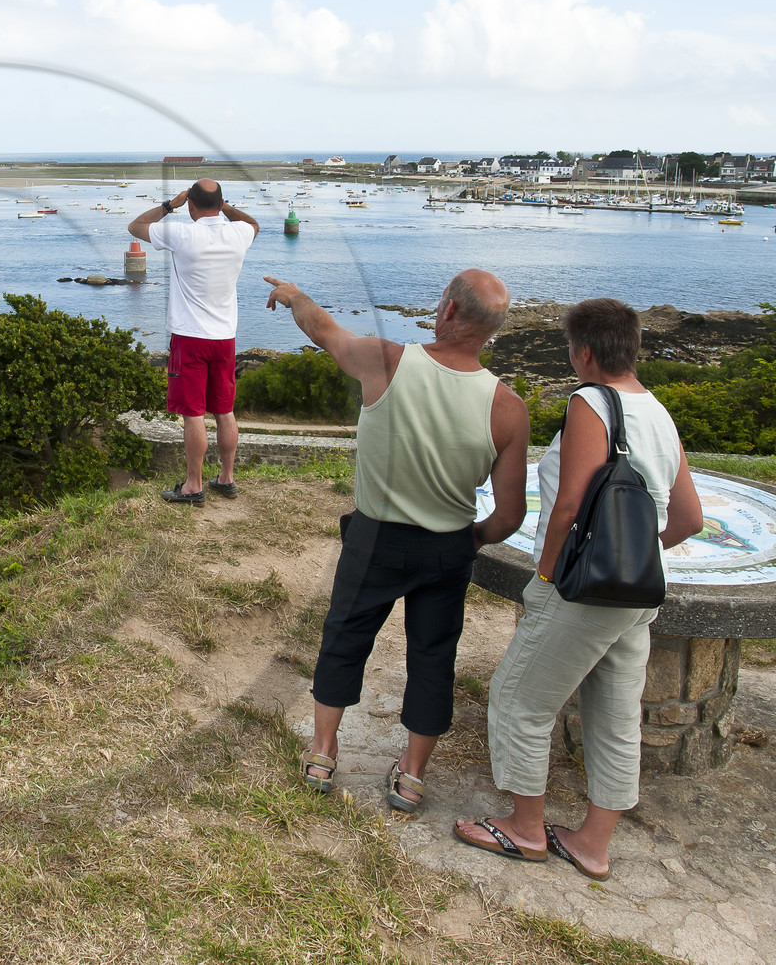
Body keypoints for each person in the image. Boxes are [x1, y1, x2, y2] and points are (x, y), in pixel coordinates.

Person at [454, 299, 702, 880]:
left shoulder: (590, 402)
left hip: (581, 590)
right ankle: (593, 844)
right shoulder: (659, 414)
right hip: (639, 594)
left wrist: (546, 576)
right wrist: (633, 556)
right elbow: (688, 518)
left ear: (585, 352)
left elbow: (568, 504)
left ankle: (524, 829)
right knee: (616, 716)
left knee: (521, 698)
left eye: (570, 349)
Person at [263, 270, 529, 811]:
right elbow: (510, 515)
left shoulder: (387, 359)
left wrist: (297, 295)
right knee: (434, 657)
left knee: (344, 638)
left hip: (375, 538)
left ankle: (322, 752)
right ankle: (410, 774)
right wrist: (469, 539)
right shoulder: (506, 408)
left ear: (449, 310)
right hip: (448, 547)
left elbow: (324, 331)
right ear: (493, 329)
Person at [128, 179, 259, 506]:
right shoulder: (238, 234)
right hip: (224, 338)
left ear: (191, 204)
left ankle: (193, 486)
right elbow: (253, 223)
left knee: (193, 415)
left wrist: (169, 205)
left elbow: (136, 226)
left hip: (189, 338)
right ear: (220, 204)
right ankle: (226, 478)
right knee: (224, 411)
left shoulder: (182, 234)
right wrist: (225, 207)